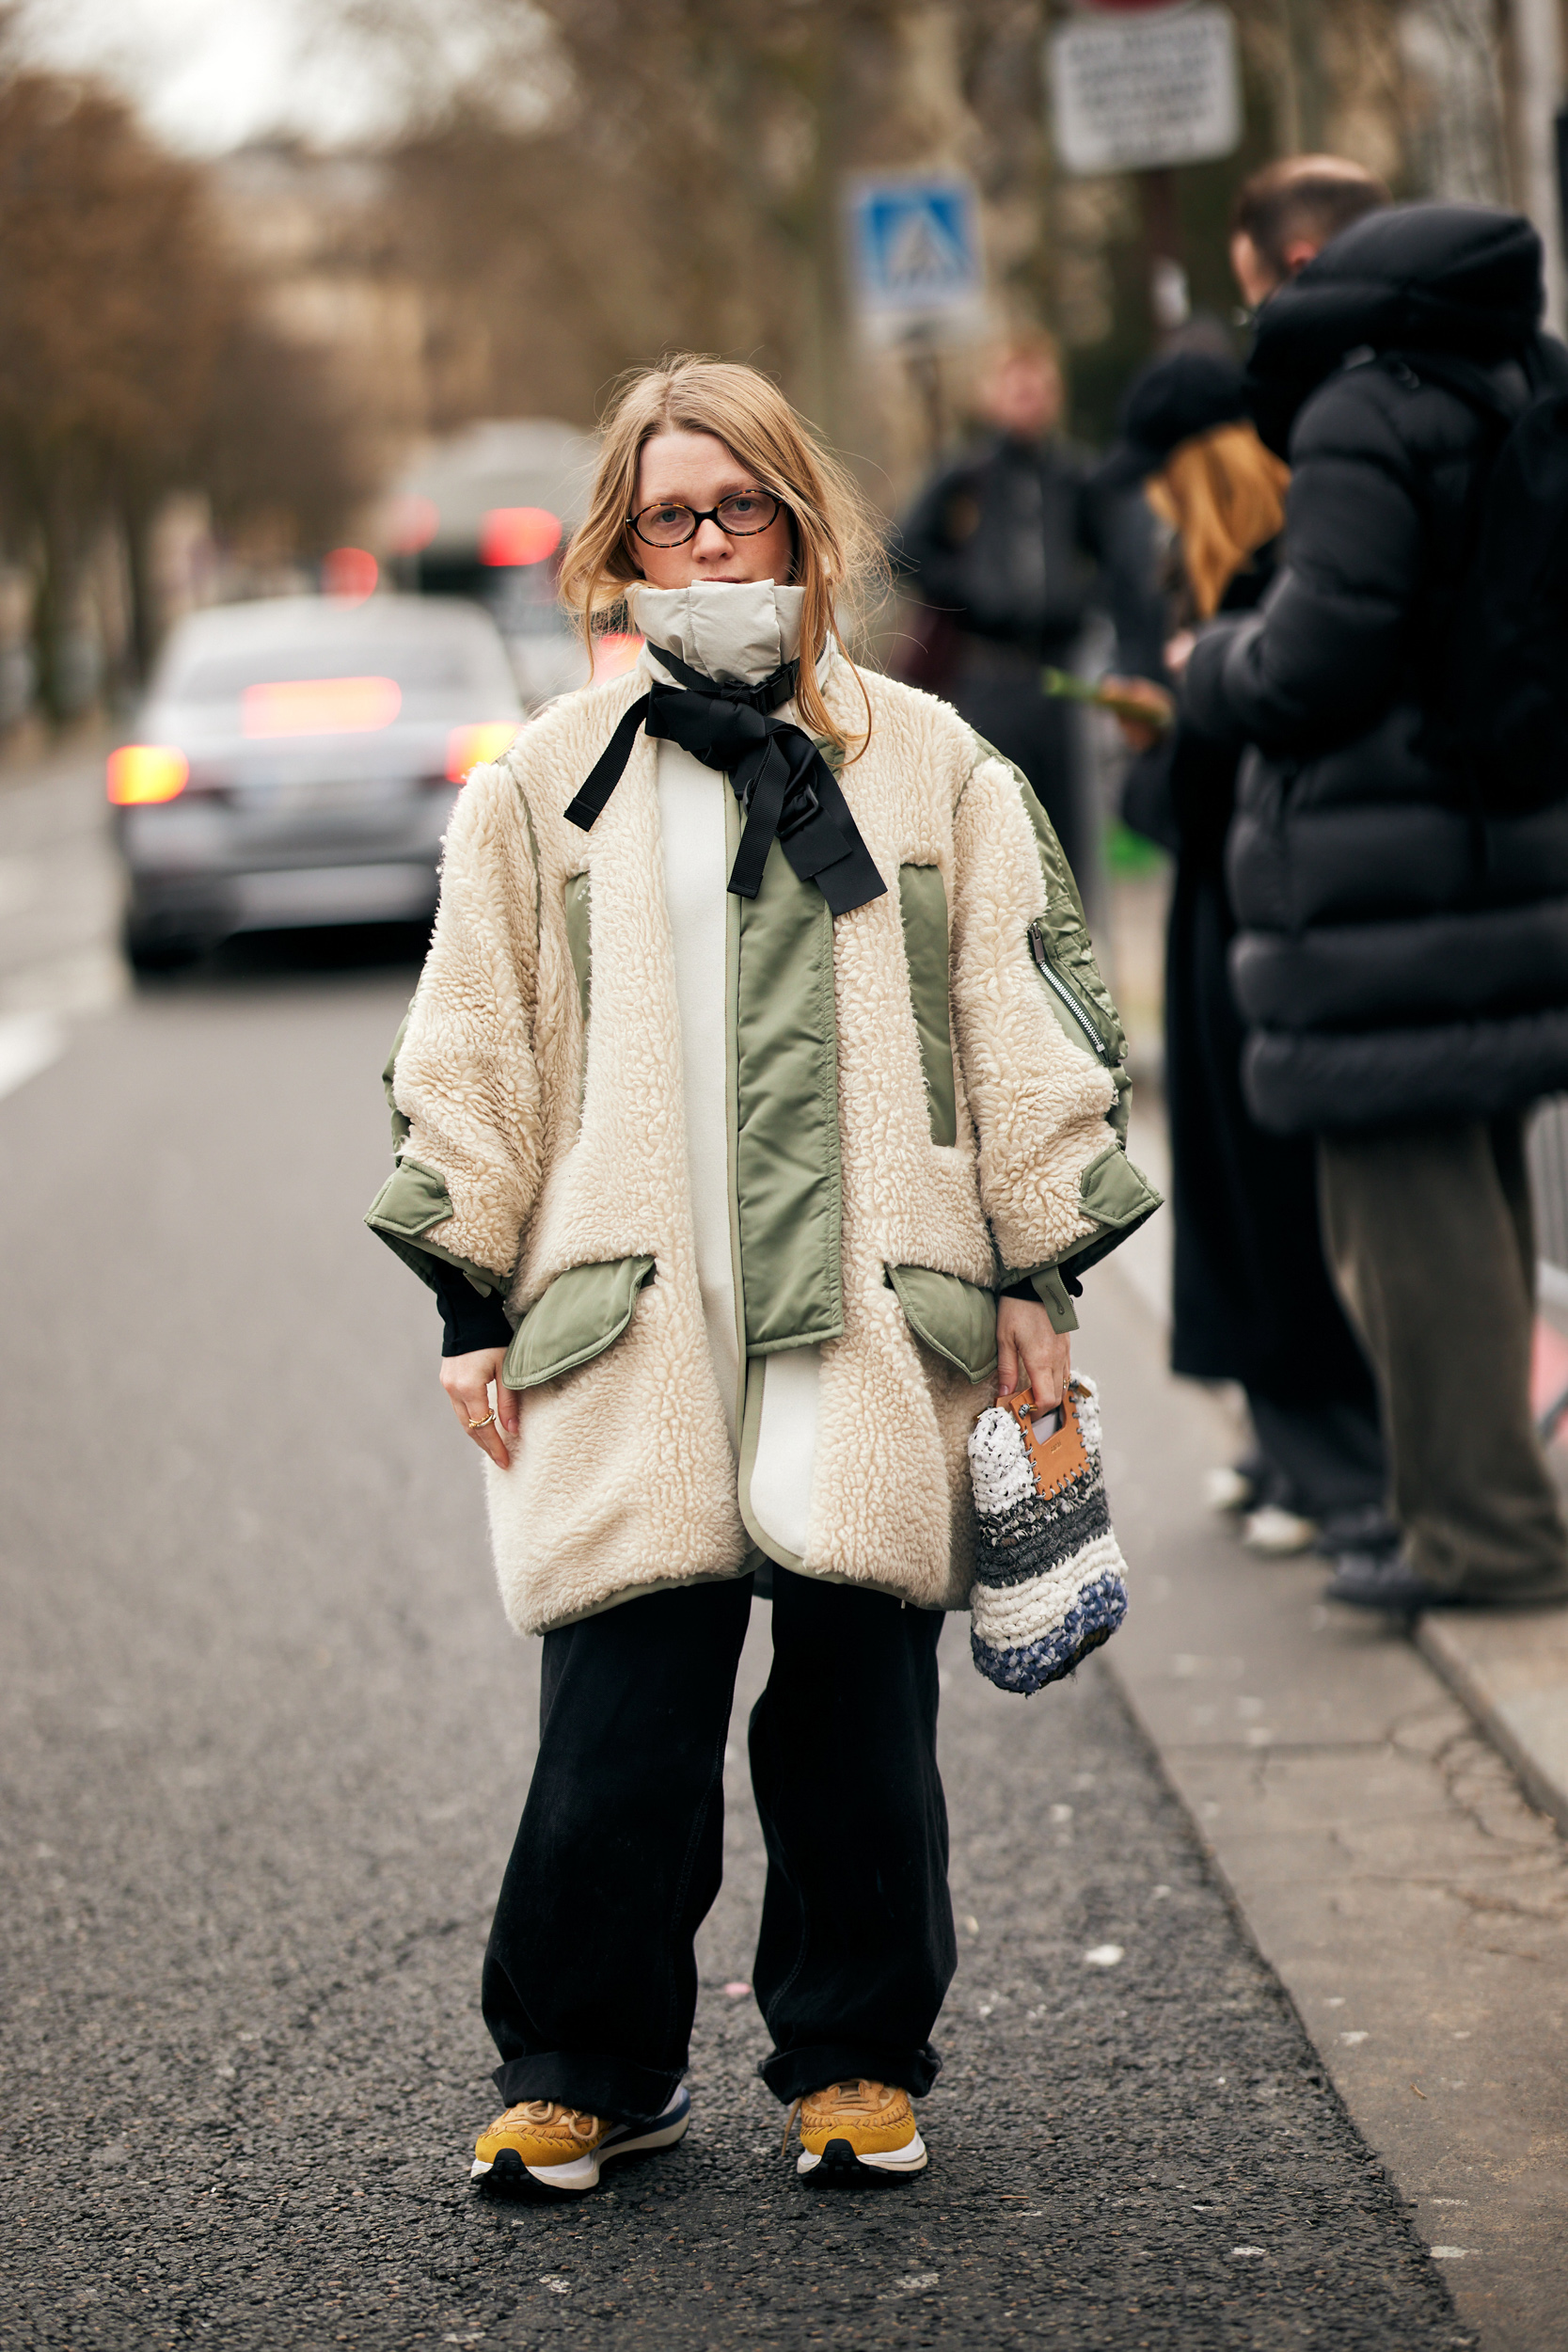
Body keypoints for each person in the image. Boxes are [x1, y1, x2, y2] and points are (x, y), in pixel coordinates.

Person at [366, 357, 1158, 2193]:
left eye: (740, 509)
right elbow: (469, 1048)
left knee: (855, 1725)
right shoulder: (540, 784)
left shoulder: (933, 761)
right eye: (670, 513)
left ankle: (853, 2056)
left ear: (803, 528)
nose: (708, 539)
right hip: (622, 1321)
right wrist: (464, 1305)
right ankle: (584, 2061)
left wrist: (1035, 1267)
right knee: (619, 1721)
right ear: (615, 545)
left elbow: (1024, 1024)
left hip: (881, 1311)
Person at [1181, 195, 1568, 1613]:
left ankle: (1483, 1537)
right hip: (1478, 851)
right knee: (1458, 1202)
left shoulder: (1365, 409)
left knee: (1405, 1231)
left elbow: (1314, 660)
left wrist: (1208, 659)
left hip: (1378, 876)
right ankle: (1460, 1513)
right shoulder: (1510, 375)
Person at [1101, 350, 1389, 1556]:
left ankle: (1333, 1469)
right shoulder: (1241, 585)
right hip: (1233, 921)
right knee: (1238, 1186)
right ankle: (1290, 1449)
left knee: (1267, 1196)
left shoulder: (1246, 598)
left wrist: (1166, 739)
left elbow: (1197, 800)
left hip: (1252, 921)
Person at [894, 329, 1166, 886]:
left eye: (1037, 388)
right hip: (986, 675)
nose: (1027, 400)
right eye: (1015, 389)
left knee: (1062, 828)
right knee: (995, 818)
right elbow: (904, 548)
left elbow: (1118, 563)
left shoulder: (1073, 477)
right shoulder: (966, 475)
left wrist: (1080, 600)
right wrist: (968, 588)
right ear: (992, 396)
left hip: (1057, 677)